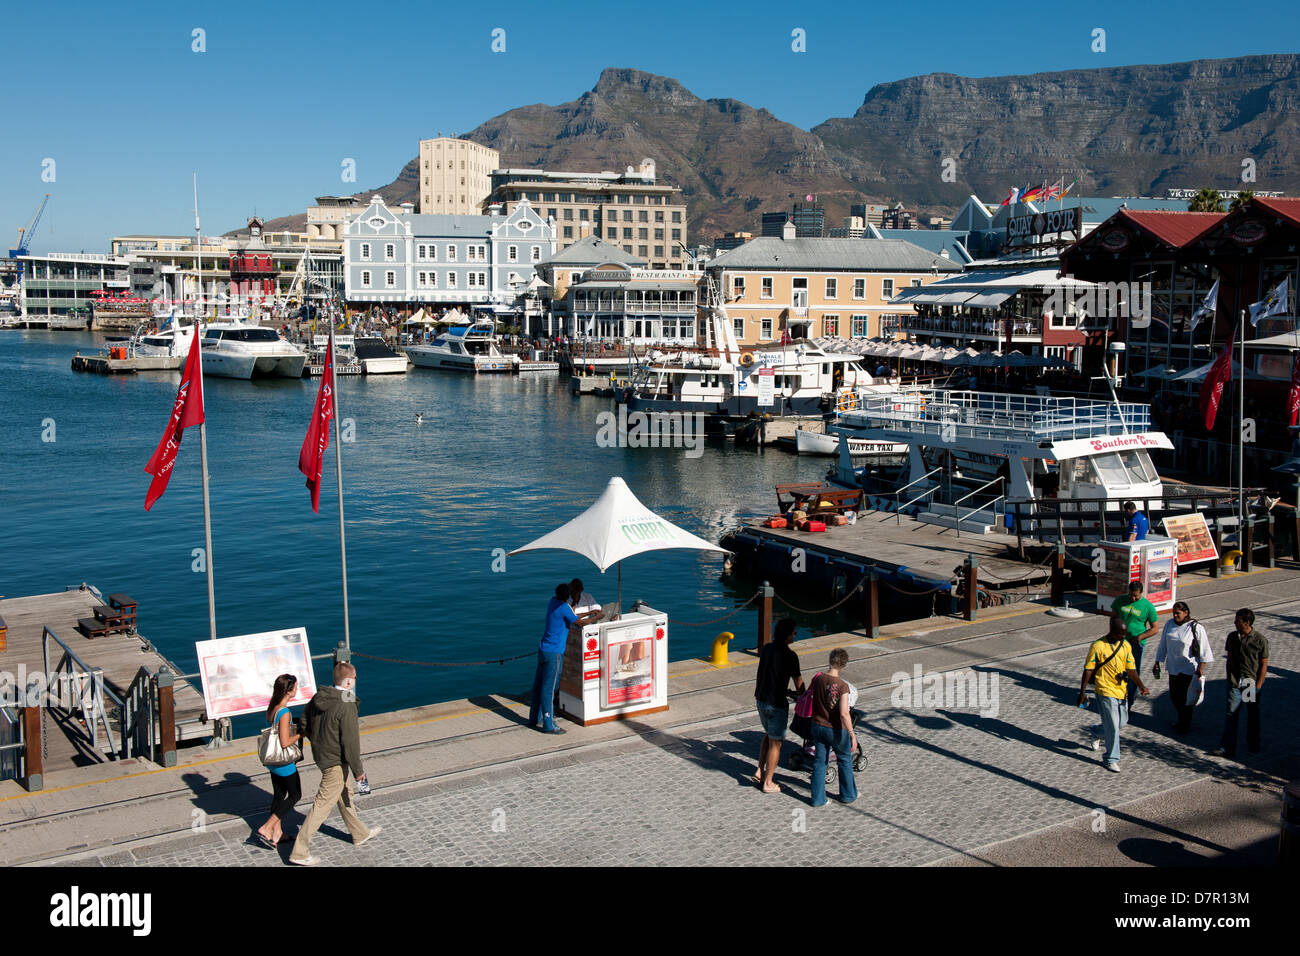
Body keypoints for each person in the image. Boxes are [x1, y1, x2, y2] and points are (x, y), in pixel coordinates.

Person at [288, 662, 380, 865]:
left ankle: (359, 833)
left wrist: (318, 741)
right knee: (322, 804)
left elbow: (303, 722)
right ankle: (300, 852)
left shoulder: (320, 696)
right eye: (354, 679)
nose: (355, 682)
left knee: (345, 793)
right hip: (335, 761)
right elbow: (350, 741)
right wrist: (358, 771)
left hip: (322, 755)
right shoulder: (345, 705)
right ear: (348, 681)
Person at [1079, 617, 1149, 773]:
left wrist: (1141, 685)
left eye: (1125, 634)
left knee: (1121, 723)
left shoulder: (1125, 646)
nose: (1123, 637)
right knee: (1113, 728)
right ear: (1112, 631)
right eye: (1121, 634)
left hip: (1121, 691)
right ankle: (1111, 759)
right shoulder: (1098, 646)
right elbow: (1088, 669)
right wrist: (1082, 692)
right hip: (1104, 690)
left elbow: (1131, 669)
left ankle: (1096, 731)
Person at [529, 583, 599, 735]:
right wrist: (597, 616)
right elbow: (579, 622)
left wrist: (591, 611)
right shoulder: (565, 607)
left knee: (538, 685)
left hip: (543, 650)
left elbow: (571, 616)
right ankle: (549, 724)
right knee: (550, 689)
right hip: (554, 653)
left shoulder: (553, 602)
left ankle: (534, 718)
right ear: (567, 596)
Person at [752, 618, 805, 794]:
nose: (795, 635)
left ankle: (759, 770)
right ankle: (768, 782)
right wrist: (802, 695)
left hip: (761, 699)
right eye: (794, 633)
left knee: (767, 735)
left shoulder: (767, 649)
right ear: (788, 635)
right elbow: (799, 683)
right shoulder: (791, 656)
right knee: (776, 743)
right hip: (777, 704)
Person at [255, 673, 303, 849]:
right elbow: (284, 742)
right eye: (296, 687)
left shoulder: (273, 708)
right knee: (295, 794)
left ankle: (277, 833)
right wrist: (301, 734)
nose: (297, 689)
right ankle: (267, 827)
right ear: (289, 691)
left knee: (279, 795)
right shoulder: (284, 713)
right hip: (284, 764)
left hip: (272, 762)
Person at [1214, 608, 1269, 758]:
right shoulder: (1232, 637)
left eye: (1237, 620)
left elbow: (1264, 664)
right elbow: (1230, 658)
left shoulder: (1260, 640)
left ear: (1247, 622)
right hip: (1235, 682)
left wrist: (1259, 684)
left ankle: (1253, 742)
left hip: (1250, 683)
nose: (1234, 623)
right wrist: (1230, 677)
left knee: (1252, 714)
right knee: (1231, 714)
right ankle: (1227, 747)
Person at [1152, 601, 1213, 735]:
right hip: (1173, 667)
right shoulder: (1169, 624)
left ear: (1186, 613)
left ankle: (1184, 723)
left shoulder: (1196, 627)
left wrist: (1201, 669)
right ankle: (1182, 719)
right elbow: (1163, 644)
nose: (1175, 615)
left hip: (1189, 669)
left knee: (1186, 698)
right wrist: (1158, 661)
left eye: (1178, 613)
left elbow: (1205, 650)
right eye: (1174, 613)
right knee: (1174, 696)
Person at [809, 648, 857, 807]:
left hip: (817, 725)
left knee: (820, 762)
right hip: (835, 729)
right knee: (844, 759)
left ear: (830, 660)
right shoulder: (843, 686)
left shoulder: (818, 679)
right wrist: (852, 733)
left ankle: (818, 799)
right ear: (844, 665)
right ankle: (848, 795)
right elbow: (844, 713)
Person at [1111, 579, 1159, 707]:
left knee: (1133, 671)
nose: (1132, 598)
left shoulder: (1148, 606)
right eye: (1130, 595)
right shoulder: (1120, 600)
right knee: (1117, 669)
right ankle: (1117, 694)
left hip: (1135, 644)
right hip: (1120, 642)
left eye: (1135, 596)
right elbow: (1113, 617)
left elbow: (1155, 628)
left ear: (1141, 593)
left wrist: (1140, 637)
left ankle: (1129, 702)